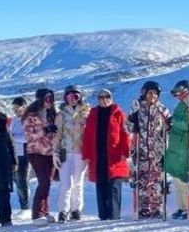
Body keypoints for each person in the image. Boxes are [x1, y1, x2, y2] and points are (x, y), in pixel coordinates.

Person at [83, 89, 131, 219]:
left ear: (111, 98)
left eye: (107, 97)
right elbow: (87, 136)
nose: (104, 99)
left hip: (115, 155)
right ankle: (103, 216)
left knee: (114, 186)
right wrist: (86, 155)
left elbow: (125, 133)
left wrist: (125, 152)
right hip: (97, 155)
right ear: (98, 99)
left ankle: (114, 216)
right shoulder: (93, 114)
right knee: (101, 185)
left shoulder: (118, 113)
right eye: (101, 97)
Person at [127, 81, 171, 219]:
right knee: (143, 180)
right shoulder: (138, 108)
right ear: (144, 93)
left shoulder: (162, 109)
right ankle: (144, 207)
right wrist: (132, 122)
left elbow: (168, 127)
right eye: (150, 93)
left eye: (155, 94)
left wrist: (170, 124)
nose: (152, 96)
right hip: (142, 150)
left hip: (157, 151)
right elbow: (128, 127)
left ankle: (157, 207)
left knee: (157, 180)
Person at [163, 80, 189, 219]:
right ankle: (182, 207)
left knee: (187, 178)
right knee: (178, 178)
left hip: (187, 145)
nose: (179, 96)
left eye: (181, 93)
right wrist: (169, 125)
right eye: (177, 94)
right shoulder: (182, 105)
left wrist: (173, 121)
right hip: (177, 145)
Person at [23, 88, 60, 222]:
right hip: (37, 152)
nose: (50, 102)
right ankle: (37, 214)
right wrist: (45, 130)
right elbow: (29, 135)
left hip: (50, 152)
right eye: (47, 99)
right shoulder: (32, 115)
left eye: (52, 99)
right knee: (43, 182)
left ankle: (45, 211)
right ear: (40, 99)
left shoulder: (51, 114)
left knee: (48, 182)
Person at [55, 85, 90, 221]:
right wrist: (55, 152)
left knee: (78, 182)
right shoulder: (62, 114)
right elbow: (57, 135)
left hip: (80, 152)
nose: (73, 99)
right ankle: (63, 210)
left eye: (76, 96)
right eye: (70, 96)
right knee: (65, 183)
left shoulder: (86, 113)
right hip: (66, 151)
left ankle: (76, 209)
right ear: (65, 98)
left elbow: (90, 133)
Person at [8, 96, 30, 211]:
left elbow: (28, 136)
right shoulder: (14, 120)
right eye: (14, 108)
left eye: (18, 107)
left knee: (22, 180)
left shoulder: (28, 119)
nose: (16, 110)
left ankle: (25, 207)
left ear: (24, 107)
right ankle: (23, 204)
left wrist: (13, 138)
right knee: (16, 180)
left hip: (24, 153)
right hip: (14, 154)